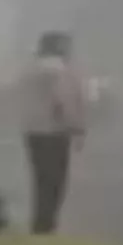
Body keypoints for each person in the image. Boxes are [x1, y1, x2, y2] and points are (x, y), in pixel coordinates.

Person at [17, 31, 86, 234]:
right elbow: (64, 101)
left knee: (40, 179)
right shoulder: (60, 71)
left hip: (32, 131)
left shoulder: (29, 70)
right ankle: (48, 225)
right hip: (55, 132)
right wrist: (78, 128)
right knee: (56, 181)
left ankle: (39, 223)